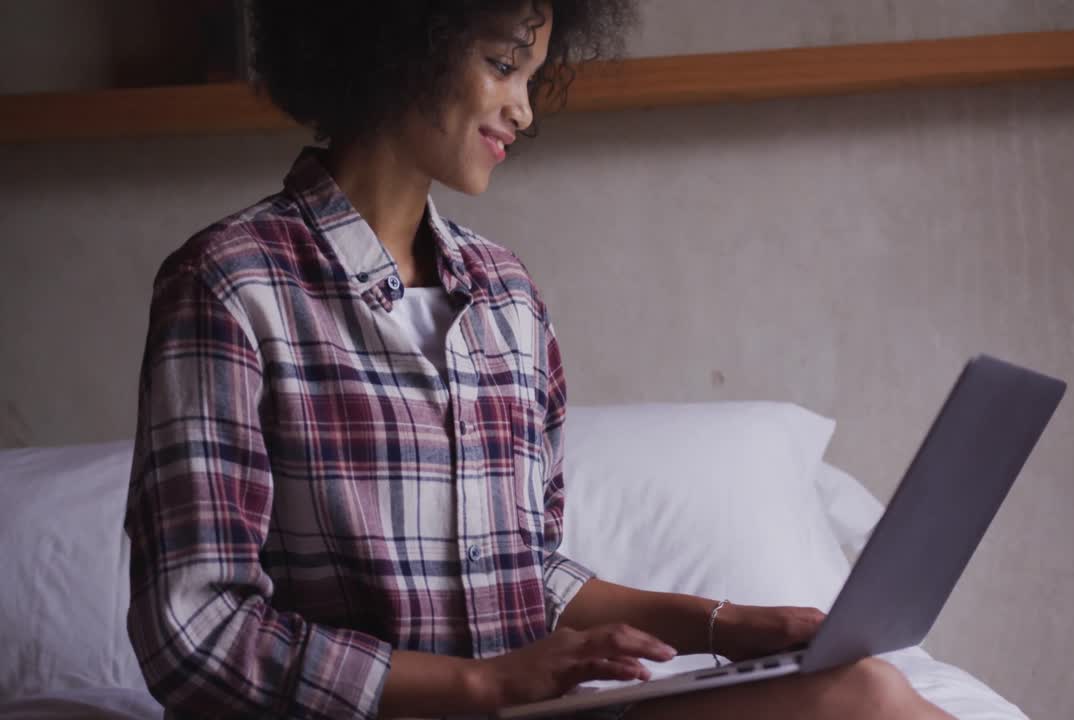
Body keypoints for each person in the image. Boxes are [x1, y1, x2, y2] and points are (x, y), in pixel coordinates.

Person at [124, 2, 955, 718]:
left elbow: (530, 572)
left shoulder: (506, 295)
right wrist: (477, 687)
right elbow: (197, 631)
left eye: (533, 77)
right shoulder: (230, 286)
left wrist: (727, 625)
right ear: (395, 41)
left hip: (526, 712)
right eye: (502, 65)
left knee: (868, 693)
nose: (523, 110)